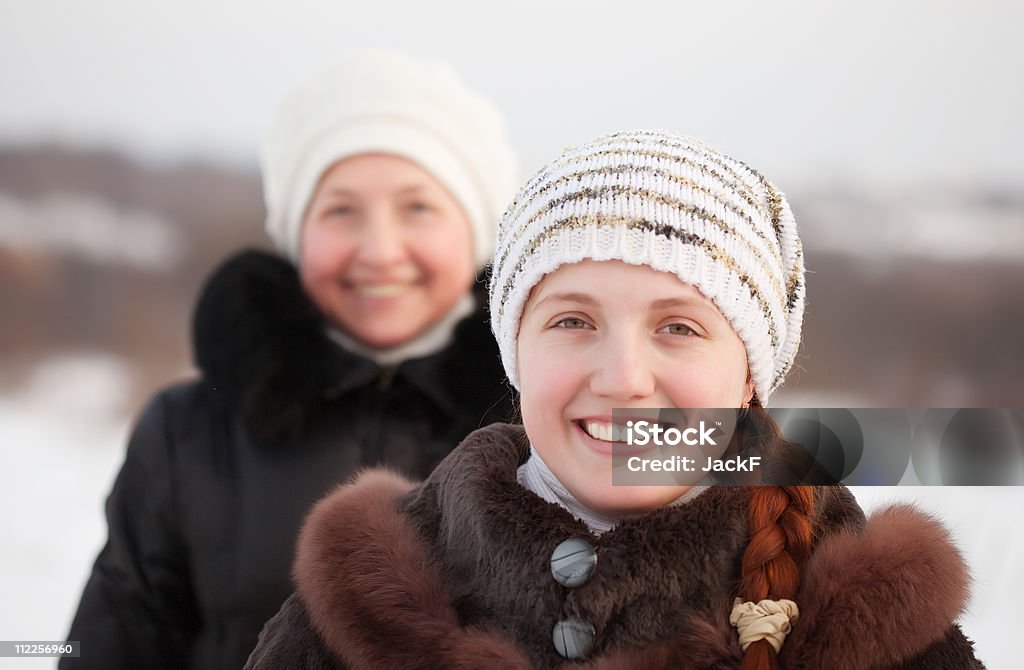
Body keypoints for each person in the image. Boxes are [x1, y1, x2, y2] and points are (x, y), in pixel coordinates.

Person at [245, 129, 984, 669]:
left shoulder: (871, 623)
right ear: (516, 355)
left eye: (678, 327)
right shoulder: (359, 608)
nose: (623, 377)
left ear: (750, 377)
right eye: (573, 321)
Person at [61, 50, 519, 670]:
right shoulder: (185, 431)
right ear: (294, 232)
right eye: (340, 210)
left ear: (476, 233)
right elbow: (102, 647)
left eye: (418, 207)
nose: (380, 251)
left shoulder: (559, 417)